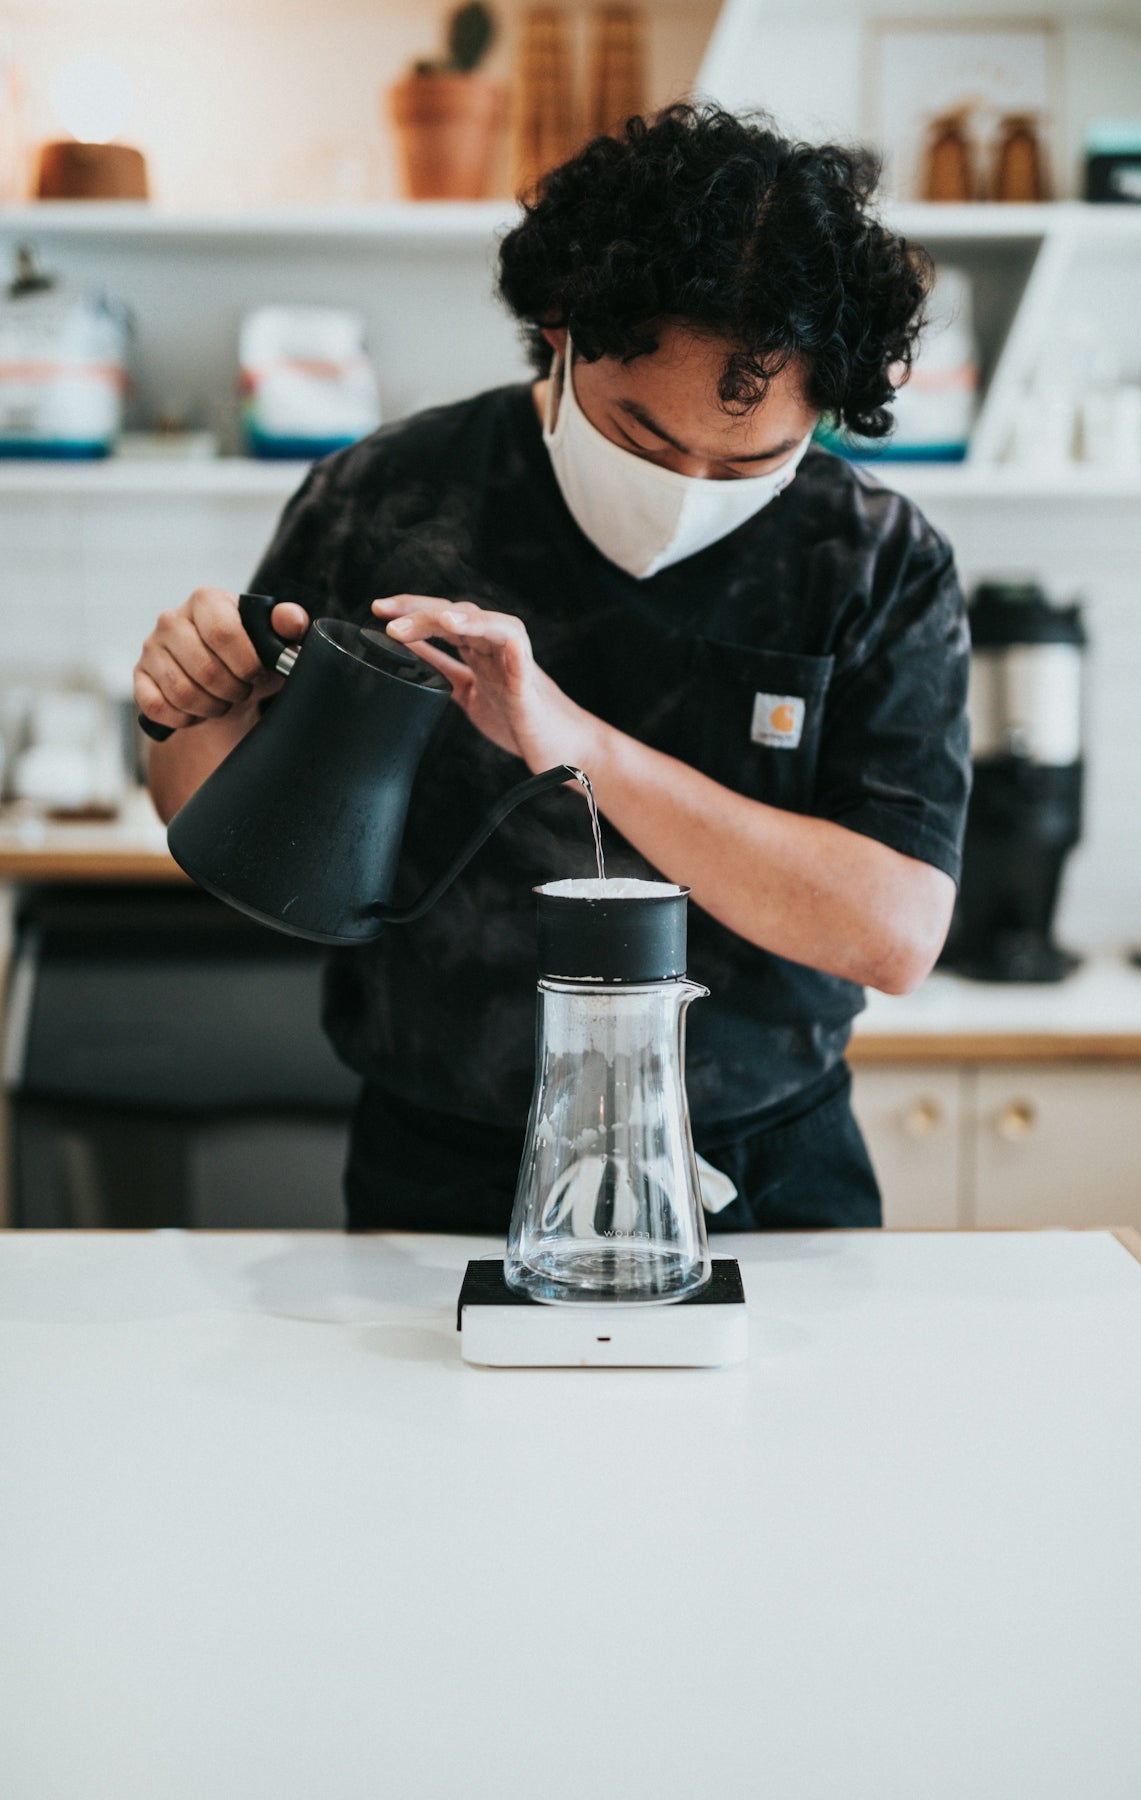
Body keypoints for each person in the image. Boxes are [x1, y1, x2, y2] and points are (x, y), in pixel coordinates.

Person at [135, 105, 970, 1236]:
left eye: (750, 461)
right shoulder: (386, 499)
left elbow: (893, 932)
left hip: (766, 1170)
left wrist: (577, 742)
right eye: (643, 438)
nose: (688, 486)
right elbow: (238, 828)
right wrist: (192, 707)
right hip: (440, 1164)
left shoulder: (876, 561)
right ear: (562, 328)